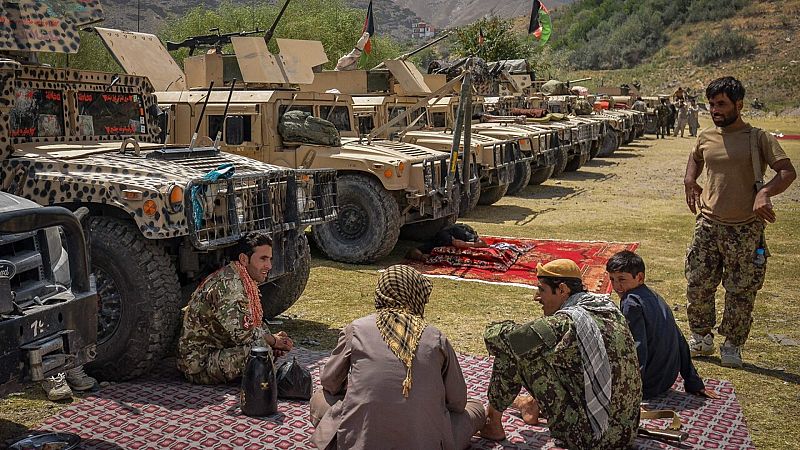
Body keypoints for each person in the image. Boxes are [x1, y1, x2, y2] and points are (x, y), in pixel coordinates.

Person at [684, 76, 796, 368]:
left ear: (739, 104)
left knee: (741, 290)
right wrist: (689, 179)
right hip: (708, 224)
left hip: (745, 228)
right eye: (711, 104)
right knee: (698, 284)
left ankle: (732, 344)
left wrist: (765, 193)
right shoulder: (707, 136)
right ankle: (702, 337)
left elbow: (787, 172)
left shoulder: (757, 138)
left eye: (721, 104)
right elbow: (696, 158)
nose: (714, 110)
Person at [309, 265, 485, 449]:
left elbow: (329, 382)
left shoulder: (356, 329)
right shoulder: (435, 337)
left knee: (320, 398)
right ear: (416, 295)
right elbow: (458, 402)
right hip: (427, 442)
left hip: (359, 442)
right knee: (475, 408)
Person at [480, 259, 641, 449]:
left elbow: (496, 338)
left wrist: (510, 329)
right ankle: (531, 403)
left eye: (542, 290)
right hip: (626, 433)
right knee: (543, 353)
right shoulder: (606, 308)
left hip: (591, 439)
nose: (536, 297)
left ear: (563, 289)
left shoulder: (566, 323)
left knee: (515, 352)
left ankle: (492, 424)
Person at [176, 231, 294, 384]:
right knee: (260, 351)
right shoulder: (229, 286)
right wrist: (273, 342)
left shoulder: (240, 277)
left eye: (270, 259)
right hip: (198, 364)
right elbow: (245, 334)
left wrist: (274, 340)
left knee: (264, 347)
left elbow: (252, 323)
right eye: (263, 259)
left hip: (217, 349)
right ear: (244, 259)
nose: (269, 266)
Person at [606, 251, 716, 399]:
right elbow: (680, 340)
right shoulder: (655, 296)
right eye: (612, 279)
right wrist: (693, 382)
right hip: (665, 380)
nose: (616, 286)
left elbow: (637, 347)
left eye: (622, 279)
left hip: (648, 384)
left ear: (639, 277)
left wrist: (631, 390)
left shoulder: (630, 302)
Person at [406, 222, 487, 261]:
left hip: (461, 230)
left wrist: (465, 244)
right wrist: (421, 256)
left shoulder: (459, 233)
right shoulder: (438, 241)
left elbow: (483, 243)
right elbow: (413, 250)